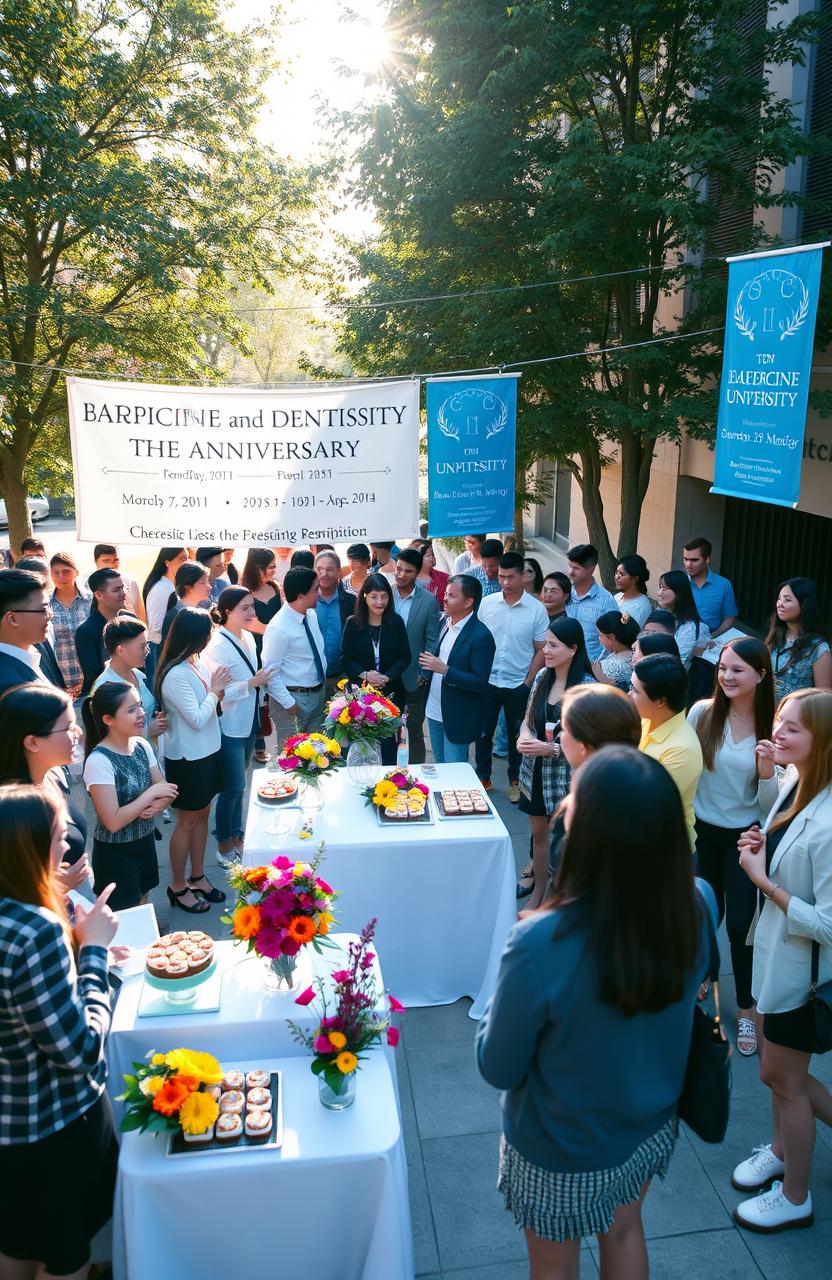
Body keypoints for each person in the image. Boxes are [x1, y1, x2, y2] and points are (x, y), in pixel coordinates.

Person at [477, 748, 712, 1277]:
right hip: (650, 1121)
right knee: (626, 1230)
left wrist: (508, 971)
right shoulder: (697, 901)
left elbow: (497, 1065)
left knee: (555, 1264)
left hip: (560, 1141)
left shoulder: (540, 941)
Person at [0, 785, 119, 1280]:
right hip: (54, 1132)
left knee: (15, 1249)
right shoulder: (35, 929)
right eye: (55, 835)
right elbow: (82, 1050)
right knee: (66, 1259)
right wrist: (94, 951)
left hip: (10, 1134)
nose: (64, 847)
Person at [732, 688, 832, 1233]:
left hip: (803, 972)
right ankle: (779, 1149)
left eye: (794, 727)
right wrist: (762, 844)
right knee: (778, 1076)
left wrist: (764, 882)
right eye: (780, 721)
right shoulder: (796, 781)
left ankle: (796, 1197)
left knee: (781, 1076)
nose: (779, 732)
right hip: (776, 957)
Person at [688, 637, 777, 1058]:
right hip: (701, 832)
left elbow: (772, 806)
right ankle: (702, 974)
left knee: (741, 928)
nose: (726, 676)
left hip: (744, 840)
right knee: (705, 915)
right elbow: (687, 774)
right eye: (723, 668)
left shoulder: (773, 726)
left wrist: (765, 773)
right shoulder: (702, 712)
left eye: (737, 669)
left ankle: (745, 1008)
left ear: (761, 674)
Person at [156, 608, 231, 913]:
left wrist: (216, 692)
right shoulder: (175, 674)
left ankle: (197, 875)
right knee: (186, 821)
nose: (211, 635)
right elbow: (198, 717)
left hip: (208, 751)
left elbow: (210, 706)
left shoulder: (195, 662)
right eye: (208, 631)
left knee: (203, 816)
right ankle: (177, 885)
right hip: (188, 758)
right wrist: (215, 691)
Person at [517, 617, 593, 909]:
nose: (545, 651)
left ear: (573, 649)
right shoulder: (541, 678)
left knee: (562, 838)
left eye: (553, 645)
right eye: (546, 644)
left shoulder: (586, 687)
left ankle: (552, 895)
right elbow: (527, 720)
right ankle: (538, 893)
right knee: (538, 835)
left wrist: (549, 748)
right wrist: (524, 737)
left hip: (566, 777)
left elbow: (588, 743)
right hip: (533, 770)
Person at [82, 683, 176, 910]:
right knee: (126, 916)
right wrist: (152, 795)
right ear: (108, 719)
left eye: (140, 706)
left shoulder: (142, 745)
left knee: (144, 901)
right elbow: (113, 821)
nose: (141, 714)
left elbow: (167, 788)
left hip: (144, 843)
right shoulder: (99, 761)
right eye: (131, 709)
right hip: (116, 855)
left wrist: (160, 801)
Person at [205, 587, 273, 865]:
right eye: (245, 608)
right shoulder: (217, 645)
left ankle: (236, 835)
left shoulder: (247, 637)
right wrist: (252, 683)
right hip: (230, 724)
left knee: (240, 784)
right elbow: (219, 691)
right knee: (232, 786)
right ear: (227, 611)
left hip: (249, 720)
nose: (252, 613)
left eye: (252, 607)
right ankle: (223, 845)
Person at [476, 553, 550, 801]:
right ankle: (483, 778)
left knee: (518, 735)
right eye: (501, 577)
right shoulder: (487, 603)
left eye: (511, 578)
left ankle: (515, 780)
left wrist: (527, 682)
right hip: (487, 681)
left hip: (518, 683)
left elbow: (541, 648)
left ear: (523, 577)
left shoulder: (536, 609)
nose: (505, 583)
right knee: (483, 733)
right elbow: (477, 640)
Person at [0, 684, 89, 875]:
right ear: (32, 742)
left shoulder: (52, 775)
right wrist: (54, 890)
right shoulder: (17, 811)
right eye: (68, 727)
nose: (78, 732)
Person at [630, 653, 703, 850]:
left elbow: (647, 806)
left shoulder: (682, 750)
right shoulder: (645, 720)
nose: (629, 695)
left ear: (660, 701)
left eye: (635, 690)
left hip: (666, 854)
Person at [421, 575, 496, 764]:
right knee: (440, 766)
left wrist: (445, 670)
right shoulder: (443, 623)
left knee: (455, 771)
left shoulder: (481, 636)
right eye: (446, 594)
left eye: (452, 595)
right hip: (434, 709)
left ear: (468, 602)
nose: (445, 598)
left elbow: (479, 682)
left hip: (458, 715)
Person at [340, 574, 411, 765]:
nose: (379, 602)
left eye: (384, 596)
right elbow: (345, 659)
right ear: (364, 596)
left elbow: (405, 656)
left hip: (391, 693)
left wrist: (386, 677)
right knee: (362, 746)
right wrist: (365, 674)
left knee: (389, 746)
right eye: (374, 596)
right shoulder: (353, 623)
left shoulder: (396, 622)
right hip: (361, 695)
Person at [262, 566, 328, 746]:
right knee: (293, 762)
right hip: (292, 701)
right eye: (315, 589)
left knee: (317, 756)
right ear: (300, 596)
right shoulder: (278, 628)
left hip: (317, 695)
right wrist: (289, 704)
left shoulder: (311, 615)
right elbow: (270, 673)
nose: (319, 592)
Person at [393, 548, 439, 764]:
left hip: (414, 677)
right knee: (385, 730)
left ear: (417, 573)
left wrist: (424, 674)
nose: (401, 574)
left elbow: (431, 640)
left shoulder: (429, 601)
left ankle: (415, 773)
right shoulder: (385, 594)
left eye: (408, 571)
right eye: (398, 568)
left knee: (414, 731)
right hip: (386, 675)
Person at [93, 616, 168, 743]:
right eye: (142, 646)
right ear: (121, 650)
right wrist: (147, 731)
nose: (147, 651)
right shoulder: (103, 686)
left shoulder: (138, 675)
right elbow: (107, 736)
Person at [241, 549, 282, 763]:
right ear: (258, 567)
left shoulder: (275, 587)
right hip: (254, 649)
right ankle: (258, 743)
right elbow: (251, 624)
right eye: (271, 566)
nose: (274, 570)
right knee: (257, 698)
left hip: (276, 649)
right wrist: (277, 632)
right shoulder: (245, 591)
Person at [765, 577, 831, 702]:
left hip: (798, 717)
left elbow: (824, 699)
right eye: (779, 598)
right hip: (768, 714)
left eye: (787, 599)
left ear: (805, 604)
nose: (780, 603)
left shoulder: (818, 648)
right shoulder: (775, 638)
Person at [0, 568, 66, 693]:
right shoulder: (10, 687)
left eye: (49, 606)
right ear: (13, 618)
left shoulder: (33, 650)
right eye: (44, 609)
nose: (51, 614)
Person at [74, 568, 129, 695]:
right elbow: (93, 674)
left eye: (123, 588)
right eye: (116, 590)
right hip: (105, 696)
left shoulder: (129, 619)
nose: (123, 593)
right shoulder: (86, 630)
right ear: (98, 595)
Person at [564, 543, 617, 665]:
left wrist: (598, 665)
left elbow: (614, 638)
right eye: (570, 566)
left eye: (576, 568)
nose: (571, 572)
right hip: (561, 662)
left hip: (589, 669)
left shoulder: (606, 601)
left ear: (591, 569)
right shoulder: (564, 592)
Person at [49, 551, 91, 698]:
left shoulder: (91, 601)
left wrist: (86, 678)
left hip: (91, 677)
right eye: (56, 572)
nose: (61, 577)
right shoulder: (45, 605)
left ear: (76, 572)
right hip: (59, 682)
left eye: (66, 572)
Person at [141, 546, 188, 675]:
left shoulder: (170, 585)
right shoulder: (161, 588)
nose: (187, 562)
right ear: (168, 562)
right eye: (182, 558)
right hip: (158, 649)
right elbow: (156, 626)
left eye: (187, 557)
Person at [314, 550, 354, 694]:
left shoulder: (351, 602)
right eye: (319, 569)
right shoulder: (305, 603)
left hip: (344, 677)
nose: (324, 574)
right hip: (313, 679)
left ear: (338, 572)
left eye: (329, 569)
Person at [683, 537, 739, 638]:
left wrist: (713, 636)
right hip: (680, 640)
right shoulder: (679, 581)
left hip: (710, 642)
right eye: (685, 559)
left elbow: (730, 617)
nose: (688, 564)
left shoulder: (724, 585)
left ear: (707, 559)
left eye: (694, 560)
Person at [656, 569, 710, 669]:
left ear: (678, 592)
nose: (659, 593)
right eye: (660, 588)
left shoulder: (692, 628)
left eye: (664, 588)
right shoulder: (659, 615)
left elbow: (678, 663)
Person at [90, 544, 145, 622]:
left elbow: (141, 615)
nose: (112, 565)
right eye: (106, 561)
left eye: (116, 560)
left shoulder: (130, 582)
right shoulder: (85, 585)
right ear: (96, 562)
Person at [160, 560, 211, 645]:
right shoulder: (181, 615)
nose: (209, 587)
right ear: (188, 587)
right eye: (203, 583)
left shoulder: (194, 609)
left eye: (208, 582)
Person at [592, 609, 639, 690]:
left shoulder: (609, 667)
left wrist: (599, 676)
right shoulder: (636, 653)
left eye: (600, 635)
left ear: (611, 637)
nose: (599, 638)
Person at [614, 554, 652, 629]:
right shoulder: (617, 596)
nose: (616, 577)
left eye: (621, 574)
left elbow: (626, 632)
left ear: (635, 578)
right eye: (616, 573)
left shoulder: (641, 606)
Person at [409, 538, 449, 604]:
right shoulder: (410, 580)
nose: (433, 557)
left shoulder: (444, 577)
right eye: (429, 555)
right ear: (418, 559)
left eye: (433, 554)